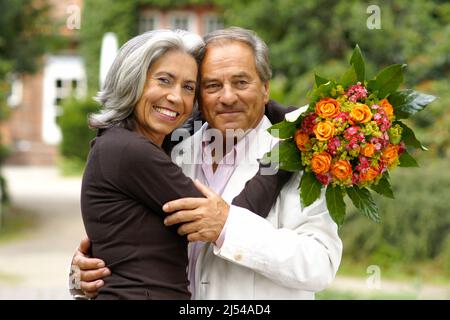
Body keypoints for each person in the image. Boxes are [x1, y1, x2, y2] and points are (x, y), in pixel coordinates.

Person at [72, 27, 343, 300]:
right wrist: (83, 276)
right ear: (200, 96)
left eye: (241, 83)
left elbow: (320, 265)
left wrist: (228, 226)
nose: (227, 97)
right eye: (212, 85)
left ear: (265, 89)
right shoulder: (172, 151)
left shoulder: (305, 156)